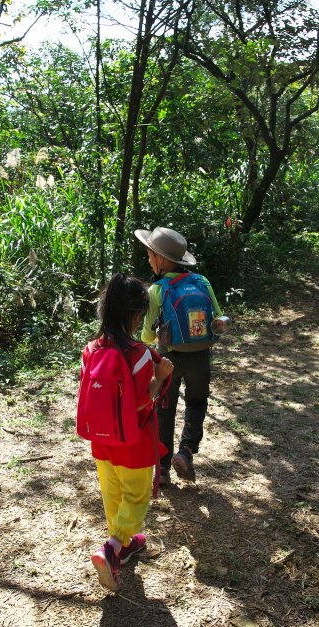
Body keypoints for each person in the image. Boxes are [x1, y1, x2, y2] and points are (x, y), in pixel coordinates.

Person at [82, 273, 173, 591]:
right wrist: (160, 377)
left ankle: (127, 543)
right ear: (137, 315)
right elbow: (141, 401)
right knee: (135, 497)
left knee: (113, 495)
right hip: (133, 443)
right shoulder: (142, 355)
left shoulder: (91, 350)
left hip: (102, 442)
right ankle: (110, 549)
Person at [135, 227, 229, 486]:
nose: (148, 259)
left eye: (150, 255)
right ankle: (186, 451)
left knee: (165, 409)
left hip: (169, 360)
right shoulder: (203, 282)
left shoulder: (157, 290)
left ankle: (162, 469)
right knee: (197, 403)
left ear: (161, 259)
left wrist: (162, 337)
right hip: (200, 357)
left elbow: (145, 335)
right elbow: (217, 318)